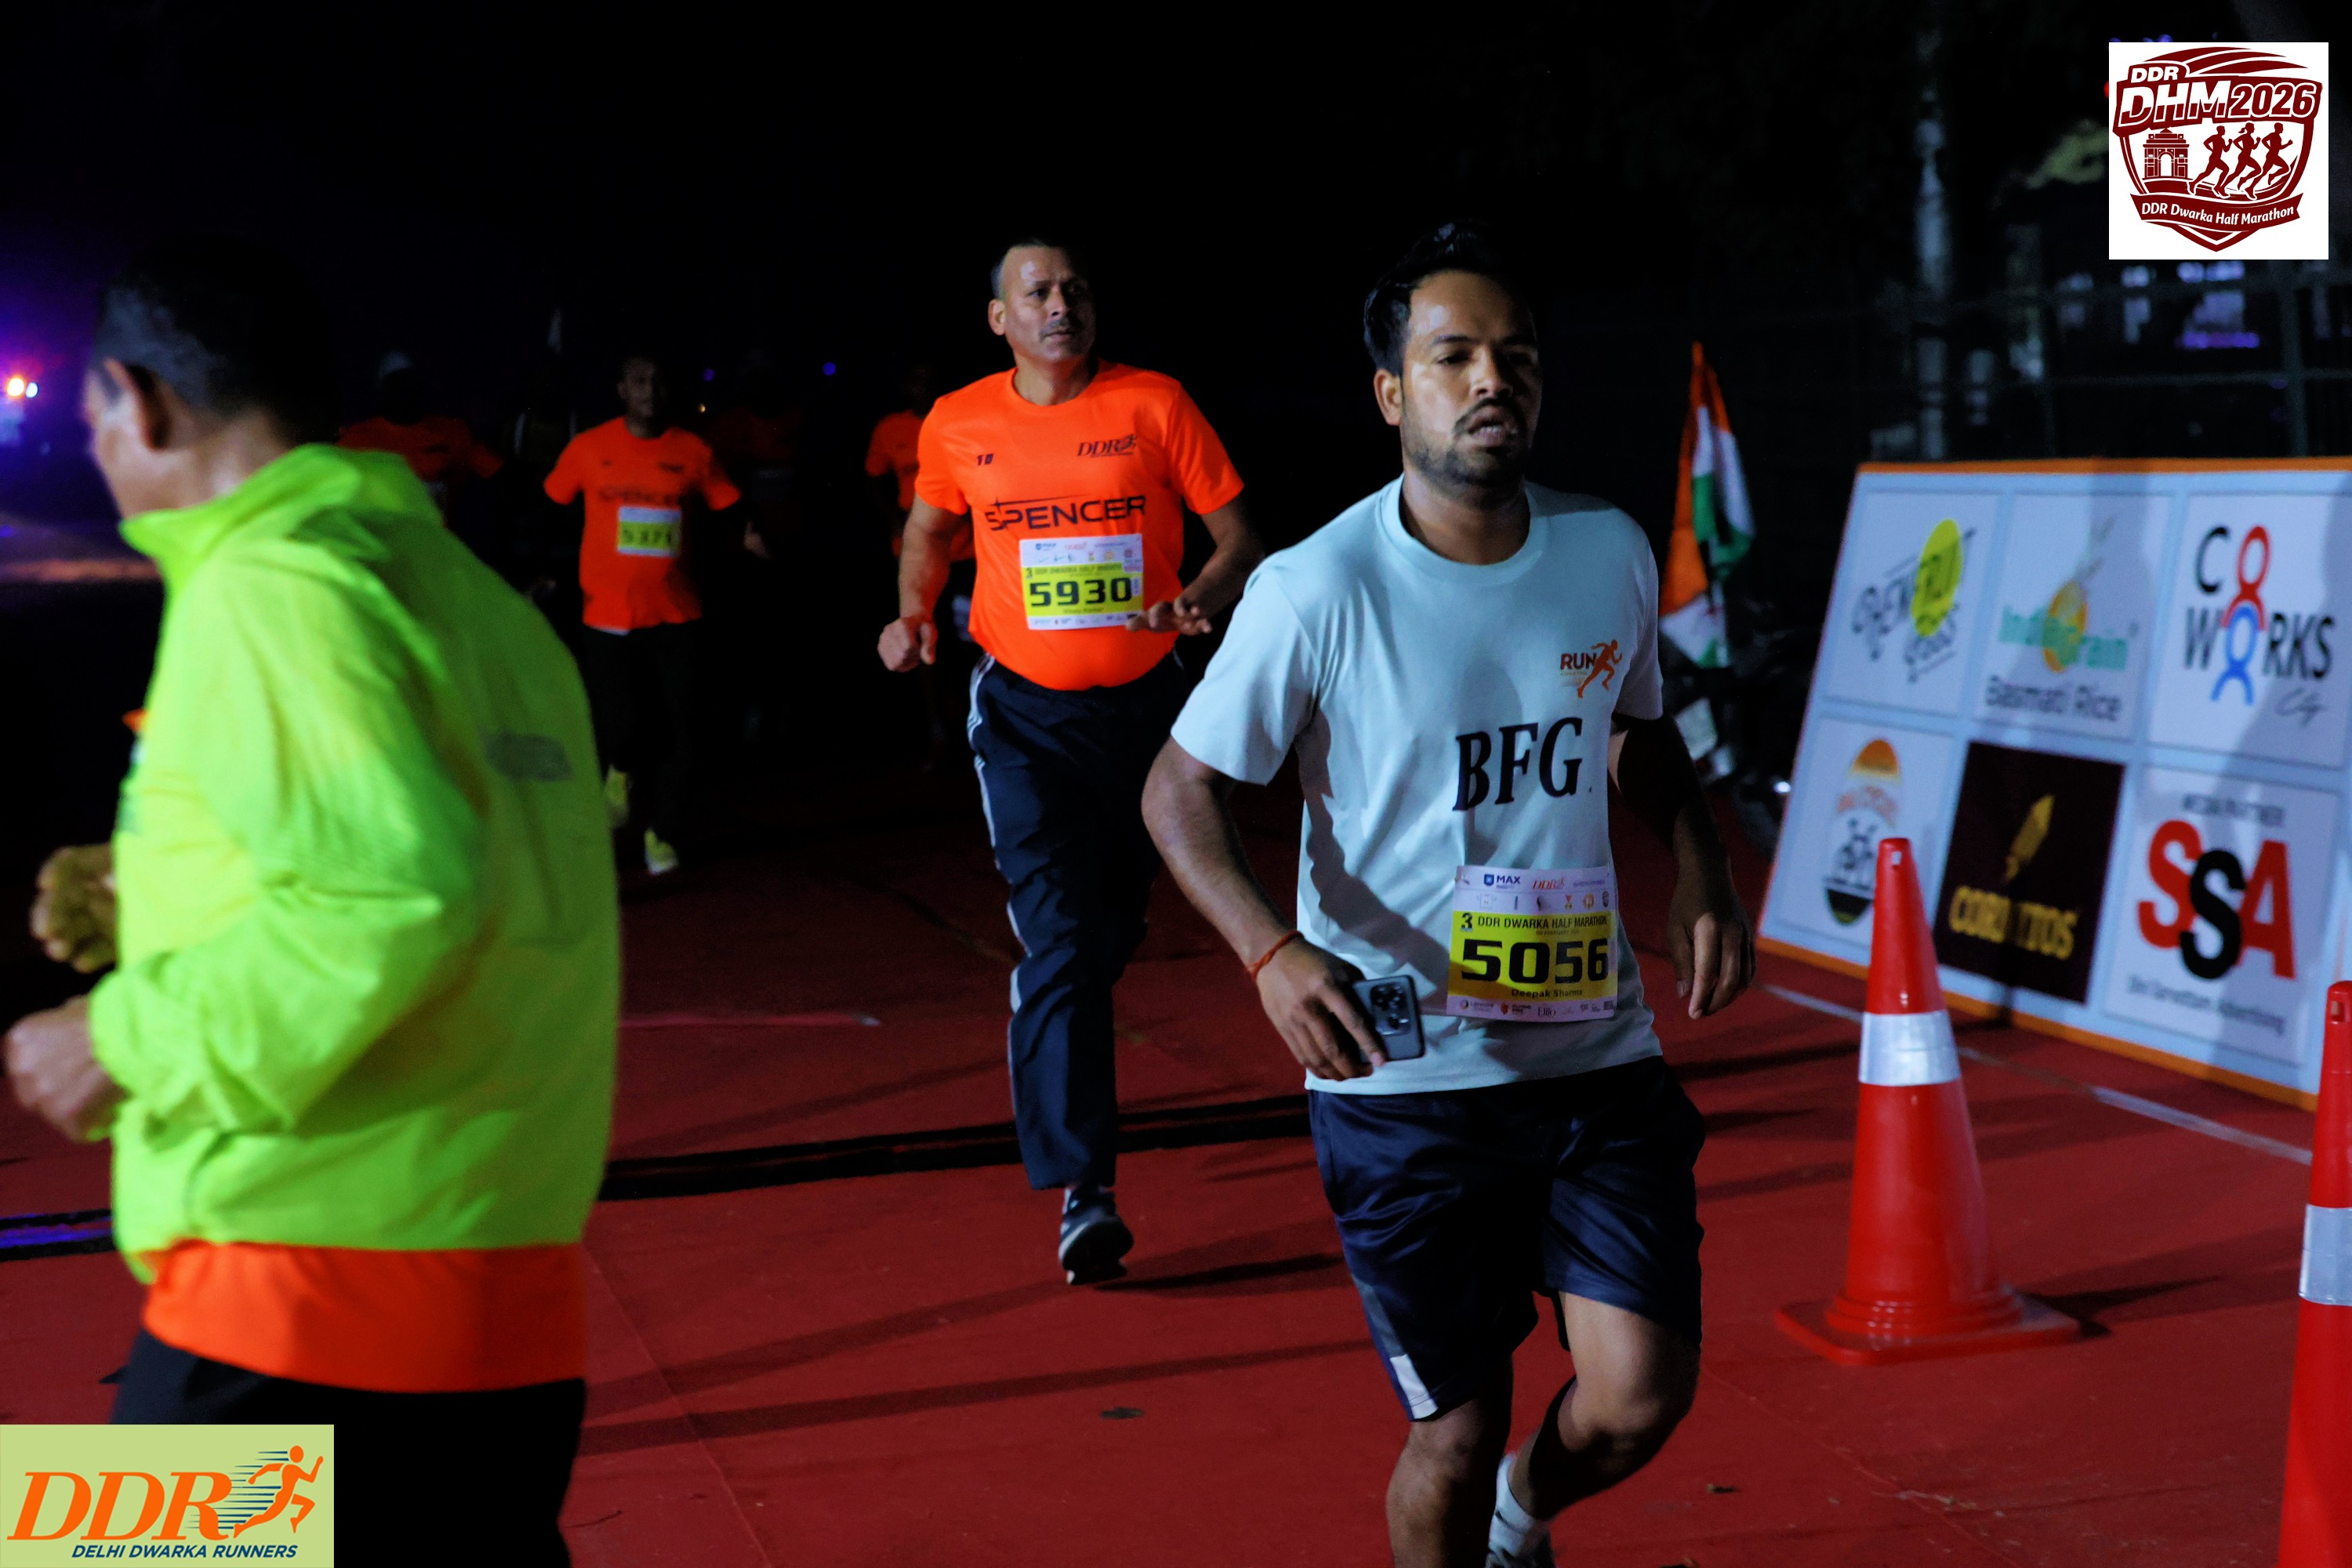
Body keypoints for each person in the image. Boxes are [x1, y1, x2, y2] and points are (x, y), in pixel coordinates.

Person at [1141, 226, 1755, 1568]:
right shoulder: (1315, 588)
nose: (1492, 381)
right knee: (1457, 1435)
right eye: (1453, 356)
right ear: (1391, 392)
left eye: (1515, 357)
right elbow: (1177, 792)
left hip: (1596, 1056)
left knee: (1641, 1398)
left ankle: (1523, 1523)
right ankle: (1485, 1509)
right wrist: (1270, 954)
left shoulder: (1605, 548)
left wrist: (1700, 865)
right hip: (1405, 1084)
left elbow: (1637, 728)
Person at [5, 236, 615, 1565]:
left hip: (298, 1300)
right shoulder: (473, 603)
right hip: (500, 1300)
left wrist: (116, 1036)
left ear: (137, 401)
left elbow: (394, 895)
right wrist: (151, 887)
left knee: (66, 1534)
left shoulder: (271, 585)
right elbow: (469, 866)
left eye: (92, 416)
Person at [877, 239, 1264, 1283]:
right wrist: (913, 613)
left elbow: (1241, 539)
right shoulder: (958, 422)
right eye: (1038, 292)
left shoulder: (1155, 404)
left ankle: (1071, 1004)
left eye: (1076, 290)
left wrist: (1198, 599)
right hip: (1024, 720)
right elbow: (927, 532)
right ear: (999, 318)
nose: (1061, 305)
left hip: (1146, 716)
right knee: (1058, 939)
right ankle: (1084, 1189)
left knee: (1108, 930)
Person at [543, 352, 744, 874]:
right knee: (623, 726)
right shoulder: (589, 448)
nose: (649, 391)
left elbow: (729, 508)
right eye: (638, 381)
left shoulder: (693, 451)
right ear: (621, 390)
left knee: (684, 732)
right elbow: (552, 504)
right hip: (607, 616)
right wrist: (547, 571)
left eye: (658, 381)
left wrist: (753, 539)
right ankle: (620, 768)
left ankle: (663, 834)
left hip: (677, 614)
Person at [866, 362, 973, 767]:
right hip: (915, 558)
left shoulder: (961, 419)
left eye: (929, 377)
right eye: (914, 378)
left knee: (971, 643)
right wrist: (895, 518)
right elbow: (872, 477)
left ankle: (973, 727)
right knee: (924, 643)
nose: (922, 385)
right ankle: (938, 732)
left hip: (969, 556)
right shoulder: (891, 429)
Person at [337, 350, 503, 515]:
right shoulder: (357, 440)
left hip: (438, 530)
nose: (404, 389)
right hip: (384, 531)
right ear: (384, 389)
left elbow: (496, 471)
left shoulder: (452, 433)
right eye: (395, 382)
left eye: (409, 380)